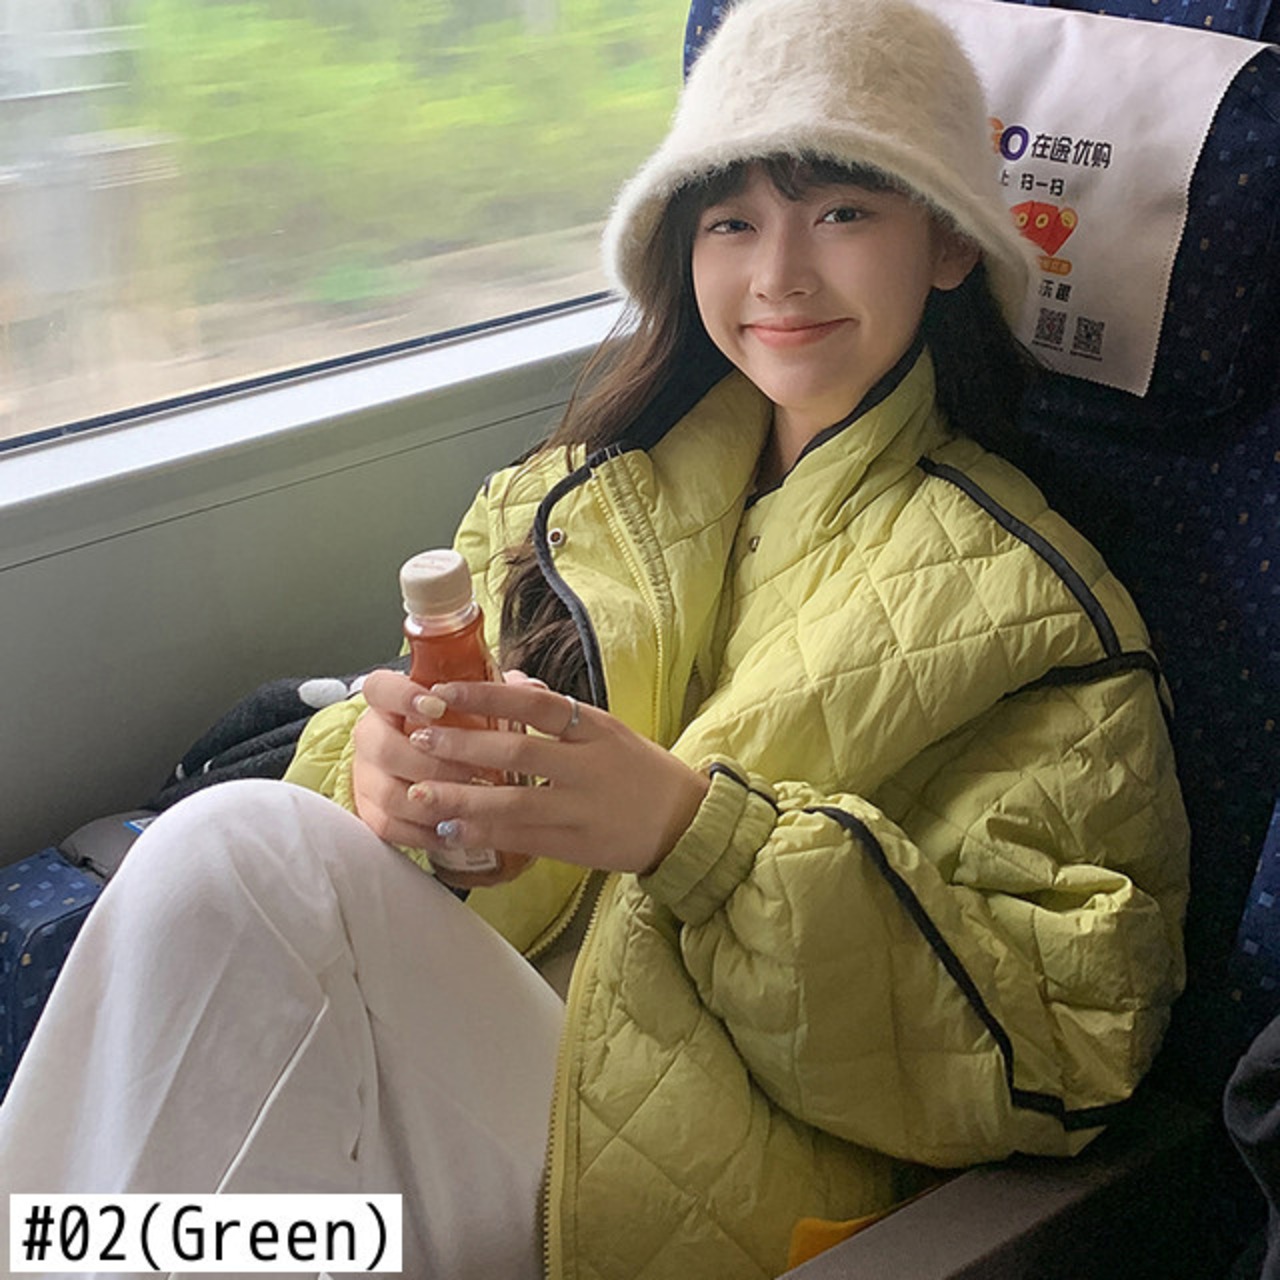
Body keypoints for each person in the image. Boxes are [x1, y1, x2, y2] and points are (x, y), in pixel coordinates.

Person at [0, 0, 1190, 1276]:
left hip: (704, 1184)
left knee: (237, 858)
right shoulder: (573, 499)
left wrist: (696, 838)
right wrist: (377, 782)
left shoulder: (1031, 611)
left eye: (842, 211)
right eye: (730, 221)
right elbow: (449, 857)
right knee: (224, 977)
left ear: (947, 239)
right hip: (491, 1081)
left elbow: (1066, 1043)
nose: (779, 273)